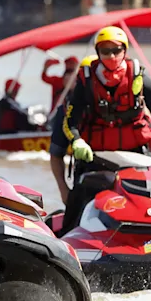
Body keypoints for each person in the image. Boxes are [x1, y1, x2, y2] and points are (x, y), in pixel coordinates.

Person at [60, 27, 151, 234]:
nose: (111, 56)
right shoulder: (86, 80)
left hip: (135, 154)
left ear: (124, 51)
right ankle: (67, 239)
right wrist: (77, 141)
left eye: (116, 50)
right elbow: (70, 120)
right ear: (98, 52)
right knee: (79, 197)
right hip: (95, 155)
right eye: (105, 51)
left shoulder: (140, 78)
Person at [49, 55, 94, 205]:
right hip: (86, 180)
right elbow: (55, 154)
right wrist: (64, 191)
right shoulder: (66, 110)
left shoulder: (126, 102)